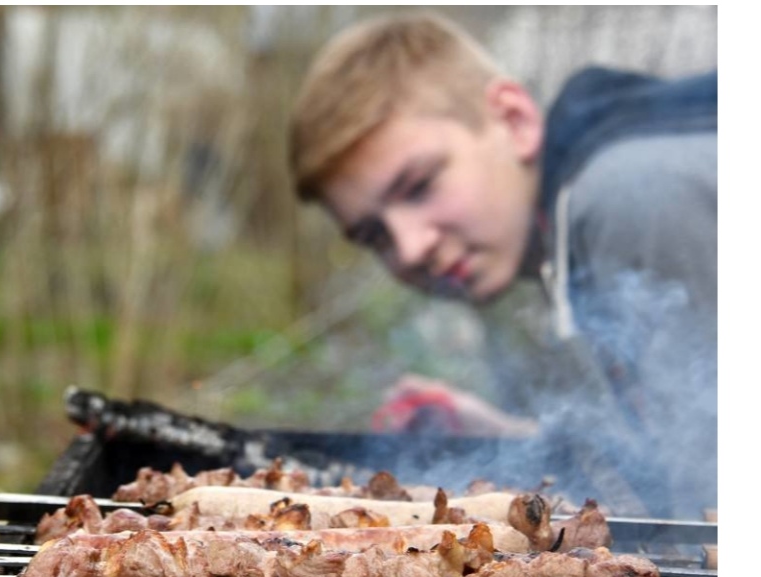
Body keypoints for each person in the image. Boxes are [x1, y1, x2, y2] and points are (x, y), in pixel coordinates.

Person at [287, 11, 716, 519]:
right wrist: (507, 437)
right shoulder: (581, 208)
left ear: (514, 120)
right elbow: (678, 456)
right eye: (374, 234)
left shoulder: (631, 196)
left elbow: (713, 504)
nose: (409, 248)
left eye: (419, 186)